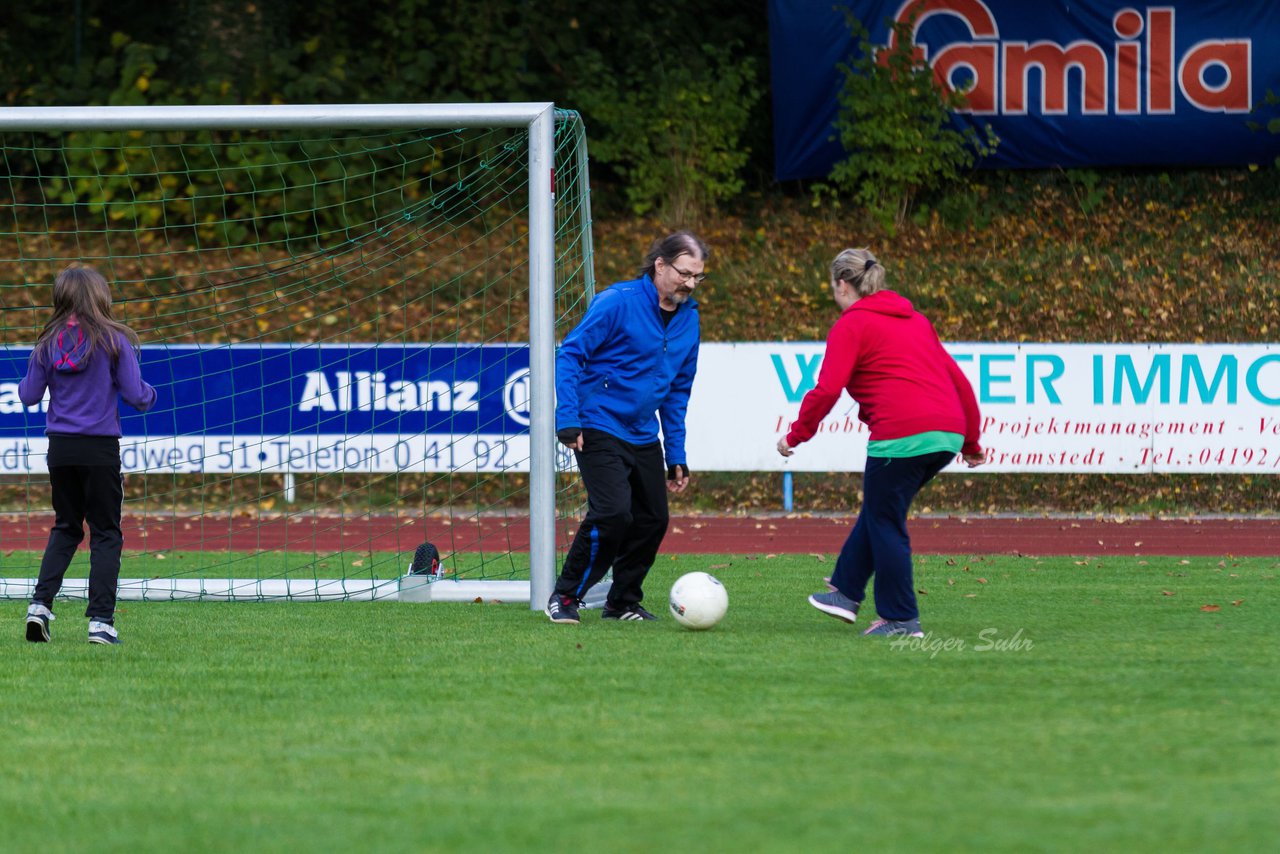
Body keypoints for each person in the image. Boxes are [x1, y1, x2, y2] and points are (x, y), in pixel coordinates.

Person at [777, 247, 985, 638]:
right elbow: (959, 381)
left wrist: (795, 435)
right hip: (946, 432)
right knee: (880, 510)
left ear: (842, 284)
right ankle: (845, 592)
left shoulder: (851, 324)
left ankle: (901, 618)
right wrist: (970, 441)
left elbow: (827, 390)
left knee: (885, 519)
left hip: (902, 434)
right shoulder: (917, 321)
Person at [546, 231, 706, 624]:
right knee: (613, 513)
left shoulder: (690, 321)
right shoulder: (618, 302)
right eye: (684, 273)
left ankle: (622, 602)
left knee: (653, 518)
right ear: (661, 265)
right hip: (598, 422)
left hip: (641, 432)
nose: (689, 283)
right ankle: (566, 596)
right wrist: (567, 418)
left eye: (698, 277)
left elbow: (676, 392)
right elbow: (570, 354)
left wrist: (677, 454)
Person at [19, 265, 157, 645]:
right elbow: (136, 395)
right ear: (100, 296)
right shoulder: (114, 341)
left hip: (60, 448)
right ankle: (100, 623)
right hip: (99, 449)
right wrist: (150, 393)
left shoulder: (47, 343)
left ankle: (39, 608)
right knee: (106, 533)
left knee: (65, 527)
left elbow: (29, 395)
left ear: (60, 297)